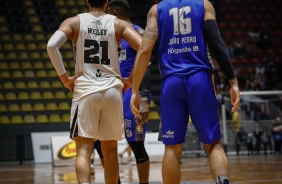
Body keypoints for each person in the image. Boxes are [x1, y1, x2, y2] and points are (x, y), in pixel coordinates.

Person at [130, 0, 240, 184]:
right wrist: (233, 81)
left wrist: (135, 90)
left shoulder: (156, 10)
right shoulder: (204, 5)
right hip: (200, 80)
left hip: (172, 82)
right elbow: (217, 43)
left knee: (172, 147)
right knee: (213, 144)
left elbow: (144, 50)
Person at [46, 0, 142, 183]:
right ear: (106, 2)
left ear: (86, 1)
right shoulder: (118, 23)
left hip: (86, 89)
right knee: (111, 150)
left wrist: (65, 79)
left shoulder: (73, 22)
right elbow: (143, 47)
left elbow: (52, 46)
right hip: (113, 90)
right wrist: (131, 80)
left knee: (83, 148)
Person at [94, 1, 151, 184]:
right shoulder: (108, 33)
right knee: (99, 141)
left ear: (115, 11)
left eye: (108, 12)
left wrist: (143, 97)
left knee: (135, 143)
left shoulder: (137, 32)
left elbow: (147, 67)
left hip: (131, 92)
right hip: (110, 90)